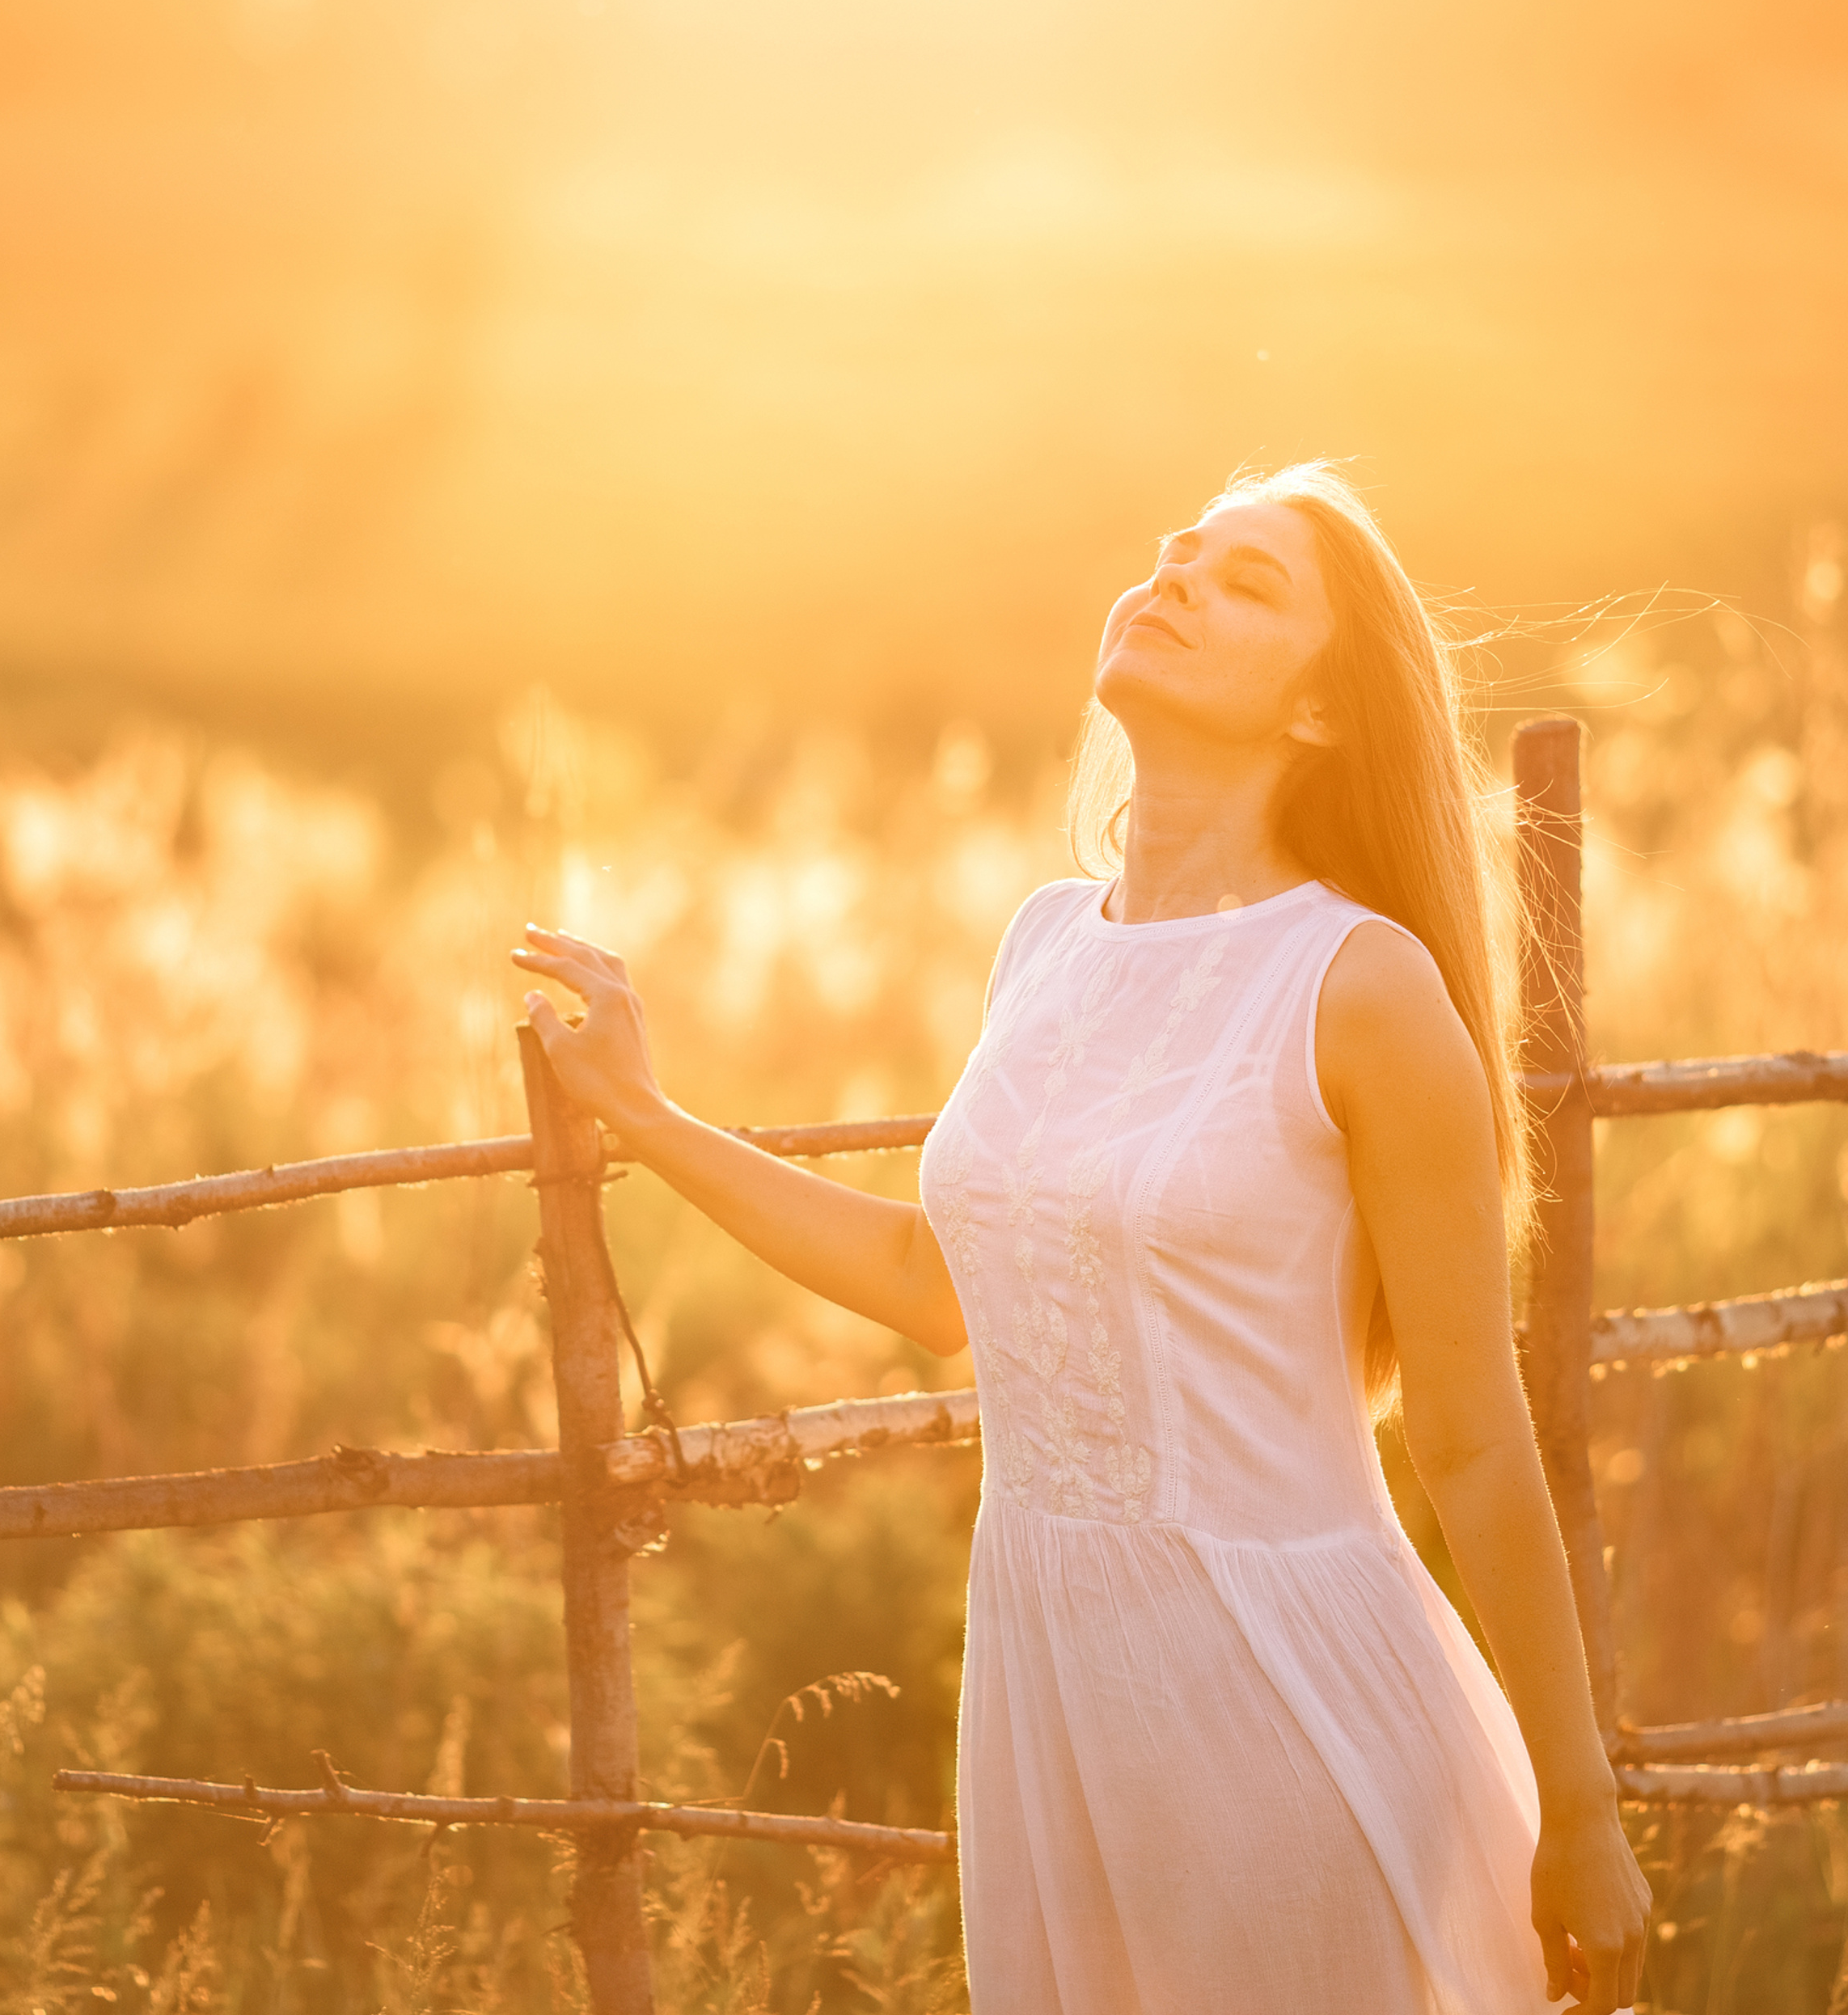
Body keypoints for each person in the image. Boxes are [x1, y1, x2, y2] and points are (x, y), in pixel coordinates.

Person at [512, 460, 1653, 2014]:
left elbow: (1469, 1441)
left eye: (1246, 583)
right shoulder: (1046, 942)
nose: (1175, 576)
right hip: (1054, 1695)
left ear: (1323, 712)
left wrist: (1579, 1815)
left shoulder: (1361, 987)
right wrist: (648, 1118)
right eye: (1177, 554)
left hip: (1288, 1701)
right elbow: (935, 1285)